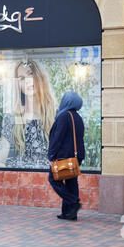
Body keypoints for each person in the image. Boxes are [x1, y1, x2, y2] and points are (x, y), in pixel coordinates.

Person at [0, 59, 56, 169]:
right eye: (21, 78)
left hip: (49, 182)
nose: (27, 81)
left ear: (39, 77)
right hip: (20, 181)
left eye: (30, 74)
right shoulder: (12, 118)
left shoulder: (56, 116)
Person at [47, 91, 85, 221]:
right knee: (71, 182)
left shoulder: (63, 116)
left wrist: (51, 155)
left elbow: (57, 138)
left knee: (53, 179)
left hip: (64, 155)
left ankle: (73, 201)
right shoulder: (78, 117)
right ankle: (69, 213)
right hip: (76, 156)